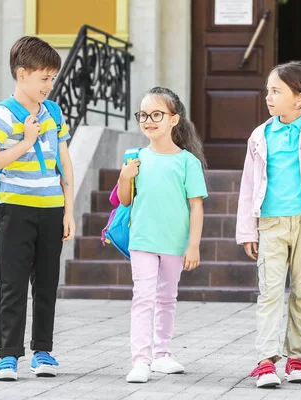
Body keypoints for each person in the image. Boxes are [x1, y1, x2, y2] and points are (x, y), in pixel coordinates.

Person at [235, 61, 301, 388]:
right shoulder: (260, 135)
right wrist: (246, 231)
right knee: (269, 292)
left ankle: (297, 358)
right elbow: (248, 185)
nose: (268, 96)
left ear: (299, 98)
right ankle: (266, 361)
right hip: (270, 224)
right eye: (268, 90)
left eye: (276, 91)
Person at [0, 36, 76, 381]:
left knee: (47, 283)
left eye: (52, 78)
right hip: (16, 208)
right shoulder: (3, 113)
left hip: (51, 208)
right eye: (44, 78)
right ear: (22, 75)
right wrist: (26, 143)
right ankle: (7, 357)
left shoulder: (54, 112)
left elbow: (65, 162)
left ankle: (43, 352)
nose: (50, 85)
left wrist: (68, 211)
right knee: (13, 283)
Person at [119, 87, 208, 383]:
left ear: (174, 119)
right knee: (143, 297)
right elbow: (124, 200)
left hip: (174, 243)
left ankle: (162, 354)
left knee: (167, 298)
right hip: (142, 240)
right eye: (143, 115)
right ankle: (141, 359)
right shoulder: (135, 158)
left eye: (156, 114)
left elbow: (196, 207)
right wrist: (124, 176)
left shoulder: (187, 162)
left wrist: (193, 245)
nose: (148, 120)